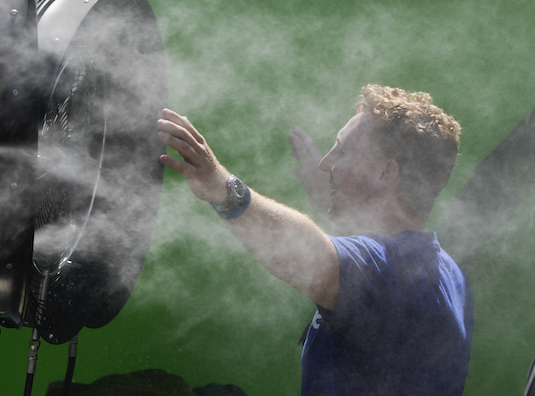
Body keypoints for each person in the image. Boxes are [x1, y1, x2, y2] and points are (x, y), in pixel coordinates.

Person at [156, 84, 473, 395]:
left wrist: (222, 187)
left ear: (385, 174)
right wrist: (329, 194)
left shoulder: (395, 274)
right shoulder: (439, 270)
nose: (325, 162)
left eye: (343, 152)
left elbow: (307, 256)